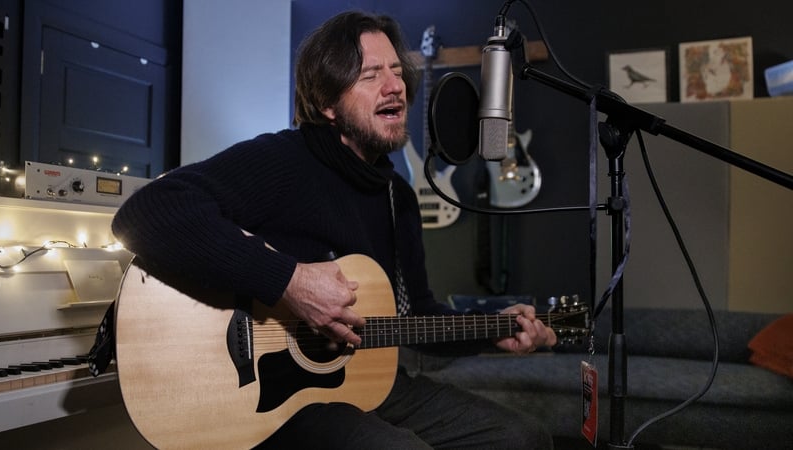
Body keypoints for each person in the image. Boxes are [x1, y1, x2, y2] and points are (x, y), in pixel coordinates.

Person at [112, 10, 557, 450]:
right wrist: (290, 282)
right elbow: (147, 213)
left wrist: (490, 330)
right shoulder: (283, 161)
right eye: (371, 75)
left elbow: (413, 314)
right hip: (283, 403)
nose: (395, 86)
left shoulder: (396, 197)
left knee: (523, 437)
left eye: (397, 71)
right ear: (327, 102)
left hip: (369, 387)